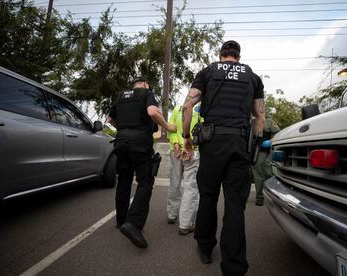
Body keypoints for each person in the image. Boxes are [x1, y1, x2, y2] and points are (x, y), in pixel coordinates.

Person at [182, 40, 265, 275]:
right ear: (238, 57)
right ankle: (234, 266)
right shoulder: (253, 77)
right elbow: (259, 118)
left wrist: (187, 137)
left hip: (211, 143)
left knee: (208, 196)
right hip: (240, 144)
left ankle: (205, 247)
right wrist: (254, 147)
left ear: (221, 55)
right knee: (235, 204)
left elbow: (187, 106)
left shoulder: (208, 71)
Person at [107, 77, 175, 249]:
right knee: (145, 181)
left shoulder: (121, 96)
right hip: (140, 143)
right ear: (145, 84)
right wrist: (166, 125)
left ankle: (121, 220)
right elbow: (152, 112)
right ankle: (134, 223)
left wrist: (123, 129)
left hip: (121, 141)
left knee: (124, 180)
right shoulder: (147, 93)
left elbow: (110, 120)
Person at [167, 104, 201, 235]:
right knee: (191, 186)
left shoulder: (178, 108)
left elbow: (171, 127)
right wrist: (190, 147)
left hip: (175, 150)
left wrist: (175, 143)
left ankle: (171, 214)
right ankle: (185, 223)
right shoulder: (203, 109)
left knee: (174, 183)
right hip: (192, 152)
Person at [252, 117, 280, 206]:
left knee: (269, 173)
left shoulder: (268, 121)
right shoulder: (249, 120)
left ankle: (273, 196)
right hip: (251, 151)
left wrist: (270, 141)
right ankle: (259, 197)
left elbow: (278, 133)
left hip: (264, 151)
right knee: (257, 175)